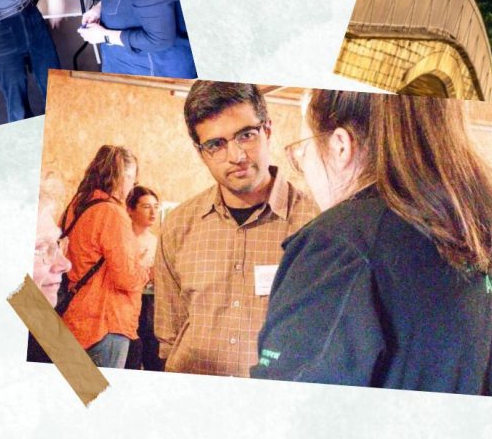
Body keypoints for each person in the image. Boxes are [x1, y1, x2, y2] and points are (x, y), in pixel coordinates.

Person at [250, 90, 492, 398]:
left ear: (340, 145)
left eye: (303, 152)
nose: (304, 169)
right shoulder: (484, 233)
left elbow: (285, 409)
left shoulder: (337, 243)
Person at [154, 82, 317, 377]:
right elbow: (170, 333)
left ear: (267, 130)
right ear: (201, 152)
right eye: (216, 144)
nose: (236, 155)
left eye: (246, 135)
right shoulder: (178, 225)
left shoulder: (315, 223)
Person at [60, 145, 149, 368]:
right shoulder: (111, 213)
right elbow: (126, 278)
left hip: (74, 318)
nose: (131, 187)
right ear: (124, 176)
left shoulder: (76, 206)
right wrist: (146, 271)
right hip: (105, 323)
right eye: (133, 179)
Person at [125, 185, 164, 372]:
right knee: (130, 360)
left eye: (156, 207)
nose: (153, 212)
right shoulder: (123, 239)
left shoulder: (158, 241)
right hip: (127, 304)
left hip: (152, 305)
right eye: (146, 207)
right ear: (131, 209)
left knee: (154, 360)